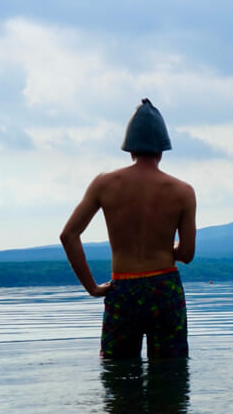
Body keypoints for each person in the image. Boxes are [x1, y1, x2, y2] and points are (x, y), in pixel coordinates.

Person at [60, 98, 196, 359]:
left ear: (130, 148)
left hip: (122, 290)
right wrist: (162, 247)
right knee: (171, 377)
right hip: (164, 290)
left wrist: (92, 288)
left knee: (118, 376)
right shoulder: (182, 191)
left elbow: (69, 235)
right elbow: (187, 254)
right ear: (162, 149)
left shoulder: (105, 184)